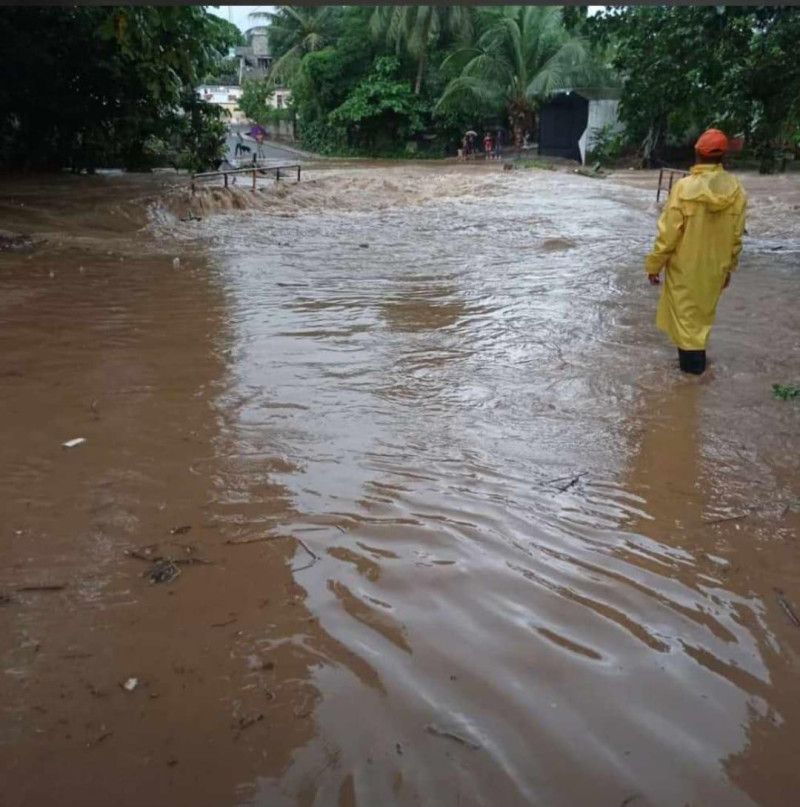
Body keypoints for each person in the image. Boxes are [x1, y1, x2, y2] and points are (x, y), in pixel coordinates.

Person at [645, 128, 747, 375]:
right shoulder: (737, 191)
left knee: (687, 325)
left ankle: (691, 384)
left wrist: (654, 265)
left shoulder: (683, 188)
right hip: (715, 269)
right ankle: (695, 381)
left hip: (684, 270)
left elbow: (668, 234)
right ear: (723, 157)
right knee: (700, 321)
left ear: (697, 154)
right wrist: (729, 268)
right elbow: (736, 237)